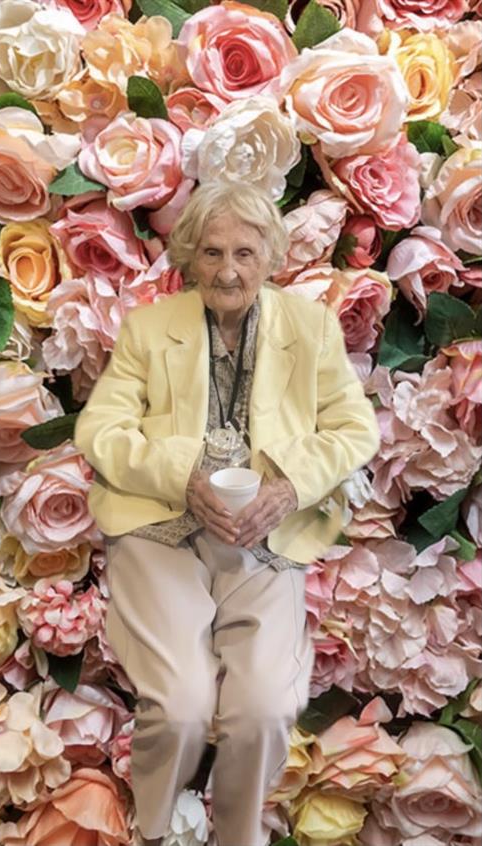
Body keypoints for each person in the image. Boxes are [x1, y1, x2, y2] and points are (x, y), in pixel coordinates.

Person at [74, 181, 380, 846]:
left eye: (244, 252)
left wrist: (291, 484)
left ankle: (238, 838)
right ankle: (151, 830)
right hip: (161, 533)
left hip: (263, 540)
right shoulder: (151, 329)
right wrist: (178, 476)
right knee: (182, 708)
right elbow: (98, 430)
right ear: (188, 257)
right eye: (211, 253)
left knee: (264, 709)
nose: (229, 270)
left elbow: (356, 431)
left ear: (271, 255)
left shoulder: (310, 328)